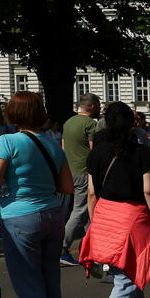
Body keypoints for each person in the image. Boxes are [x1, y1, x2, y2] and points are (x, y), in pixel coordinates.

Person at [0, 92, 74, 298]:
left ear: (13, 114)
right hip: (52, 214)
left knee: (28, 286)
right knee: (50, 283)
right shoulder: (51, 143)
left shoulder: (7, 141)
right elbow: (67, 187)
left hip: (20, 217)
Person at [78, 102, 150, 298]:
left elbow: (92, 192)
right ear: (132, 125)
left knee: (127, 271)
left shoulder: (96, 154)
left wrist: (95, 223)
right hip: (131, 215)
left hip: (104, 213)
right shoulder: (141, 153)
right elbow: (149, 190)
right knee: (127, 276)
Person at [60, 92, 100, 265]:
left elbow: (63, 146)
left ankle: (92, 250)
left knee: (87, 214)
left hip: (70, 170)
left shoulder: (69, 122)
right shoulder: (91, 124)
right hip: (84, 172)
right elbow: (95, 150)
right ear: (93, 107)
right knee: (80, 210)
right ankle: (61, 248)